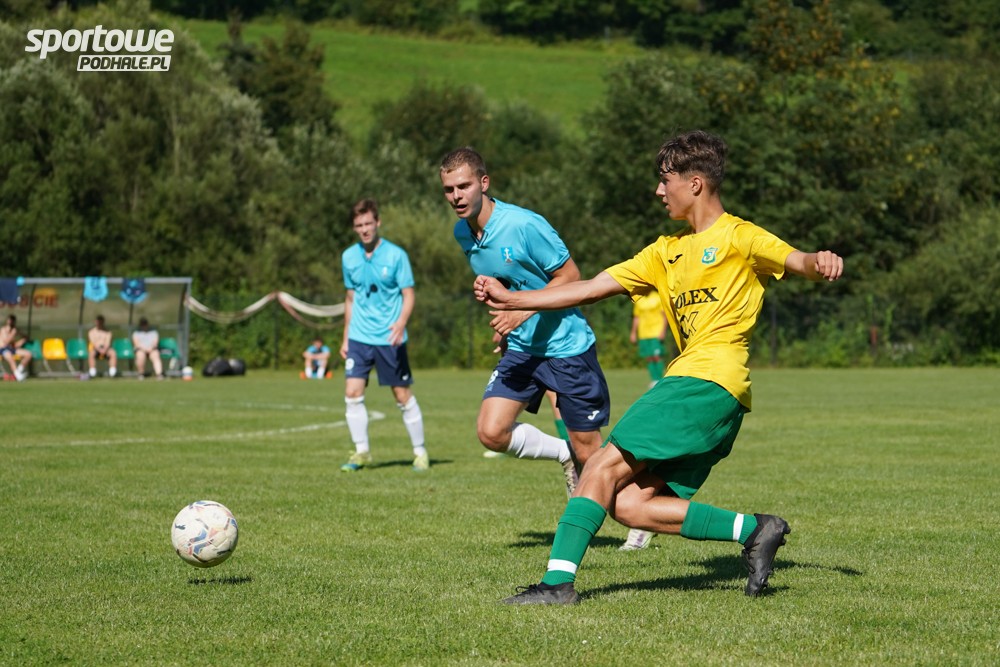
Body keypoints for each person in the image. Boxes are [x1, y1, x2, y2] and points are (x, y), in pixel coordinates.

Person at [474, 130, 844, 604]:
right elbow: (590, 287)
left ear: (695, 183)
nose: (658, 190)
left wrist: (820, 261)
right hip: (714, 396)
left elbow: (798, 260)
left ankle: (557, 584)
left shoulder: (740, 236)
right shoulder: (665, 250)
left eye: (665, 180)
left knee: (599, 466)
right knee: (629, 504)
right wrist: (514, 300)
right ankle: (755, 530)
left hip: (705, 381)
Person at [440, 147, 611, 497]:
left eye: (464, 186)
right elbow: (506, 281)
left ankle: (635, 512)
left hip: (566, 346)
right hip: (522, 349)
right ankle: (562, 453)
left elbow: (571, 276)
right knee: (491, 432)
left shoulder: (523, 224)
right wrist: (494, 300)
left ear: (484, 183)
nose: (456, 196)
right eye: (449, 189)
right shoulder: (463, 233)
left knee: (589, 452)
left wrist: (522, 311)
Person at [339, 198, 430, 472]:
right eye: (359, 225)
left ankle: (420, 452)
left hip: (389, 337)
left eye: (368, 223)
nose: (364, 229)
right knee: (352, 392)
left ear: (377, 223)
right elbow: (350, 299)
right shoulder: (348, 257)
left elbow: (408, 294)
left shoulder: (396, 255)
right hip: (359, 336)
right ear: (354, 228)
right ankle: (361, 452)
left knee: (401, 395)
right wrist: (345, 336)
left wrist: (401, 323)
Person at [631, 289, 669, 388]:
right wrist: (633, 333)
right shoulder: (639, 299)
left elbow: (665, 316)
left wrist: (663, 331)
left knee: (657, 356)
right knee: (649, 357)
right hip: (643, 333)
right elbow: (636, 317)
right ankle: (654, 379)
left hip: (656, 332)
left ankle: (660, 379)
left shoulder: (657, 297)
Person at [0, 314, 31, 381]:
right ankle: (18, 376)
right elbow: (6, 342)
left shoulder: (14, 330)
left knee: (28, 354)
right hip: (2, 349)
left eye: (12, 320)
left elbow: (15, 345)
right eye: (10, 320)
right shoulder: (3, 330)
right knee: (10, 357)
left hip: (11, 349)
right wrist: (13, 333)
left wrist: (23, 339)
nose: (11, 321)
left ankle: (18, 371)